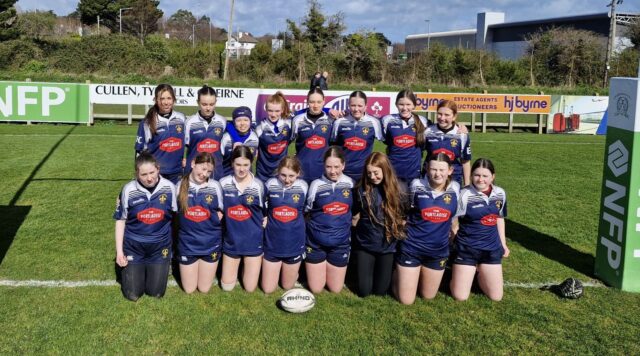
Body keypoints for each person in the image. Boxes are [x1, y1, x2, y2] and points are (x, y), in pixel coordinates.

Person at [394, 153, 460, 305]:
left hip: (438, 251)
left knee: (428, 296)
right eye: (433, 169)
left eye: (442, 170)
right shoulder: (416, 185)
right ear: (426, 168)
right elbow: (403, 212)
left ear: (450, 170)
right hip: (412, 247)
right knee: (406, 300)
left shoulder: (455, 188)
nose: (437, 174)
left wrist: (453, 231)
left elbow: (455, 216)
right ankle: (397, 274)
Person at [113, 152, 176, 301]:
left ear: (158, 169)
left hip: (160, 246)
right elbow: (121, 221)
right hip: (134, 246)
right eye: (144, 174)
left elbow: (175, 218)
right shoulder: (128, 189)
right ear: (136, 174)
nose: (149, 178)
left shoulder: (169, 188)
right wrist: (119, 251)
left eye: (152, 172)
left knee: (156, 293)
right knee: (133, 295)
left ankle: (160, 264)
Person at [450, 158, 509, 301]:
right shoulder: (464, 195)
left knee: (496, 297)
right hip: (467, 248)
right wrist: (453, 242)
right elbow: (453, 221)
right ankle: (455, 275)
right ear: (471, 176)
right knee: (460, 296)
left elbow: (499, 218)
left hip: (491, 248)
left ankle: (479, 273)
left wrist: (503, 244)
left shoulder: (500, 193)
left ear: (493, 177)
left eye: (485, 176)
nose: (480, 179)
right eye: (476, 175)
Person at [352, 152, 406, 297]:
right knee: (364, 291)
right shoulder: (360, 189)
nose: (372, 177)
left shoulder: (400, 189)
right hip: (366, 245)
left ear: (385, 169)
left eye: (376, 173)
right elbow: (353, 211)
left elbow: (406, 215)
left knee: (380, 291)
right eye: (369, 173)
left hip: (388, 247)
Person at [305, 146, 354, 293]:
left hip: (340, 243)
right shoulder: (315, 185)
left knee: (335, 289)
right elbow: (307, 211)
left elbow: (354, 210)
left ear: (343, 165)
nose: (333, 171)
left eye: (337, 167)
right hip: (316, 242)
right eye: (328, 166)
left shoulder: (351, 184)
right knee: (316, 289)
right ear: (323, 166)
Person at [176, 152, 224, 294]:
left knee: (204, 289)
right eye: (202, 169)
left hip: (210, 242)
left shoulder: (215, 186)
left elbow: (222, 210)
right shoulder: (179, 186)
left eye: (209, 171)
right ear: (192, 164)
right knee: (189, 289)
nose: (204, 174)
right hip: (187, 243)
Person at [219, 146, 265, 292]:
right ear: (232, 163)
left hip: (253, 239)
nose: (241, 169)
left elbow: (267, 210)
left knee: (250, 288)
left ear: (251, 163)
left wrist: (267, 218)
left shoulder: (259, 185)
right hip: (232, 240)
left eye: (245, 165)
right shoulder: (223, 183)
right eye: (238, 164)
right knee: (227, 287)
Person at [261, 156, 308, 294]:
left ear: (298, 173)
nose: (287, 180)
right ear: (278, 172)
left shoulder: (303, 187)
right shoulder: (270, 184)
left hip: (294, 240)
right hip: (272, 241)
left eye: (291, 176)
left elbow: (307, 210)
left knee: (287, 286)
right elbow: (263, 206)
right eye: (283, 175)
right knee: (268, 289)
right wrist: (265, 217)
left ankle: (296, 274)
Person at [135, 84, 186, 184]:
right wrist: (138, 174)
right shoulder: (147, 122)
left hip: (178, 173)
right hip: (156, 174)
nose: (166, 102)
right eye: (162, 98)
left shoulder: (182, 118)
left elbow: (191, 142)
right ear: (156, 100)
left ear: (174, 100)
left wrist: (187, 159)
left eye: (169, 98)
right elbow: (139, 152)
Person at [331, 91, 383, 182]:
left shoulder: (374, 122)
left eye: (360, 106)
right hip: (342, 172)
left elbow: (386, 143)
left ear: (366, 106)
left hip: (364, 173)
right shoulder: (339, 122)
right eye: (353, 105)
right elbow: (332, 145)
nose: (356, 109)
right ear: (348, 105)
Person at [381, 90, 428, 188]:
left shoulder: (423, 121)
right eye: (401, 104)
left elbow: (441, 127)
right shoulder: (386, 120)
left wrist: (460, 127)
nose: (404, 108)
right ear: (396, 104)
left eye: (408, 104)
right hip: (393, 174)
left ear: (414, 105)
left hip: (414, 175)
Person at [423, 99, 471, 187]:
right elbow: (418, 154)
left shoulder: (462, 134)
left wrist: (467, 185)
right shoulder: (428, 131)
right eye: (439, 114)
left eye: (447, 115)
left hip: (454, 180)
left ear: (454, 116)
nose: (442, 118)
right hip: (431, 179)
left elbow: (465, 161)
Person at [291, 88, 334, 184]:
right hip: (301, 172)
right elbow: (286, 142)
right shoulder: (297, 120)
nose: (315, 105)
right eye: (312, 102)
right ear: (307, 102)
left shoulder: (331, 120)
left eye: (319, 102)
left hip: (323, 172)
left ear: (324, 101)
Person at [184, 85, 227, 180]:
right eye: (204, 104)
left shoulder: (222, 121)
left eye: (211, 104)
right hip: (195, 173)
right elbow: (185, 147)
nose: (208, 108)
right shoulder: (189, 122)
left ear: (216, 102)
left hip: (215, 172)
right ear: (198, 102)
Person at [255, 92, 293, 182]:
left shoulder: (289, 125)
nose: (273, 114)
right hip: (263, 173)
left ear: (282, 110)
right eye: (270, 110)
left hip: (282, 173)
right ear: (266, 109)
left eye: (277, 111)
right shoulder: (259, 128)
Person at [220, 106, 259, 177]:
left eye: (246, 120)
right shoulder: (226, 138)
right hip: (226, 179)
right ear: (234, 122)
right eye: (238, 120)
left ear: (250, 121)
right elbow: (219, 161)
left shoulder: (255, 137)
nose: (242, 123)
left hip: (247, 180)